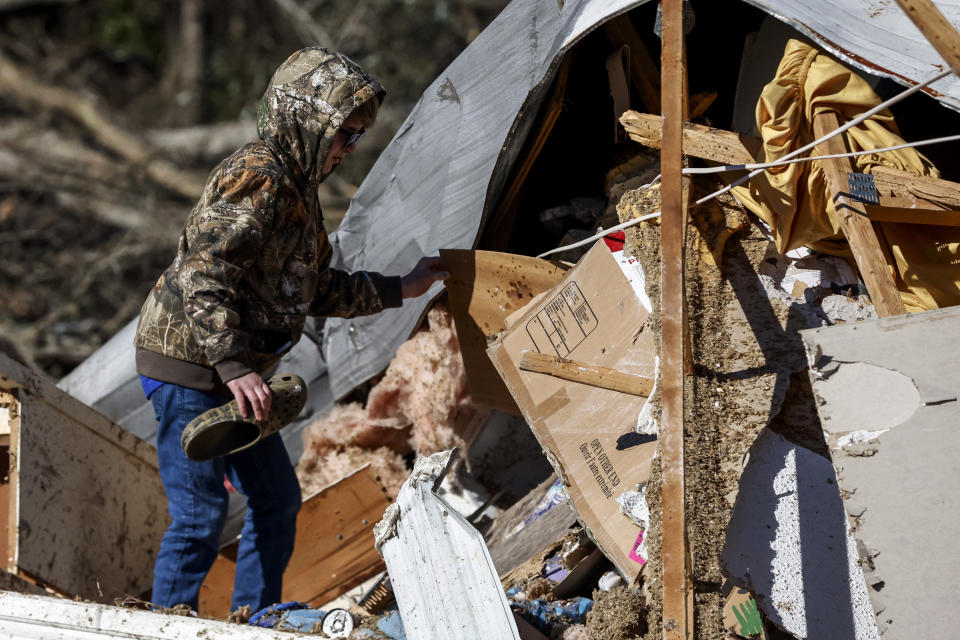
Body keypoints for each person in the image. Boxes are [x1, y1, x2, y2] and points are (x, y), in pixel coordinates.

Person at [133, 47, 448, 612]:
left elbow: (313, 288)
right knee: (200, 515)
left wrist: (403, 286)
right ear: (306, 119)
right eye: (342, 135)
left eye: (356, 138)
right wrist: (233, 369)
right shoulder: (256, 177)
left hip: (232, 374)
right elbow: (203, 273)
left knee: (276, 500)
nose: (349, 151)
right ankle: (164, 624)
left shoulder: (299, 186)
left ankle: (255, 620)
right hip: (192, 369)